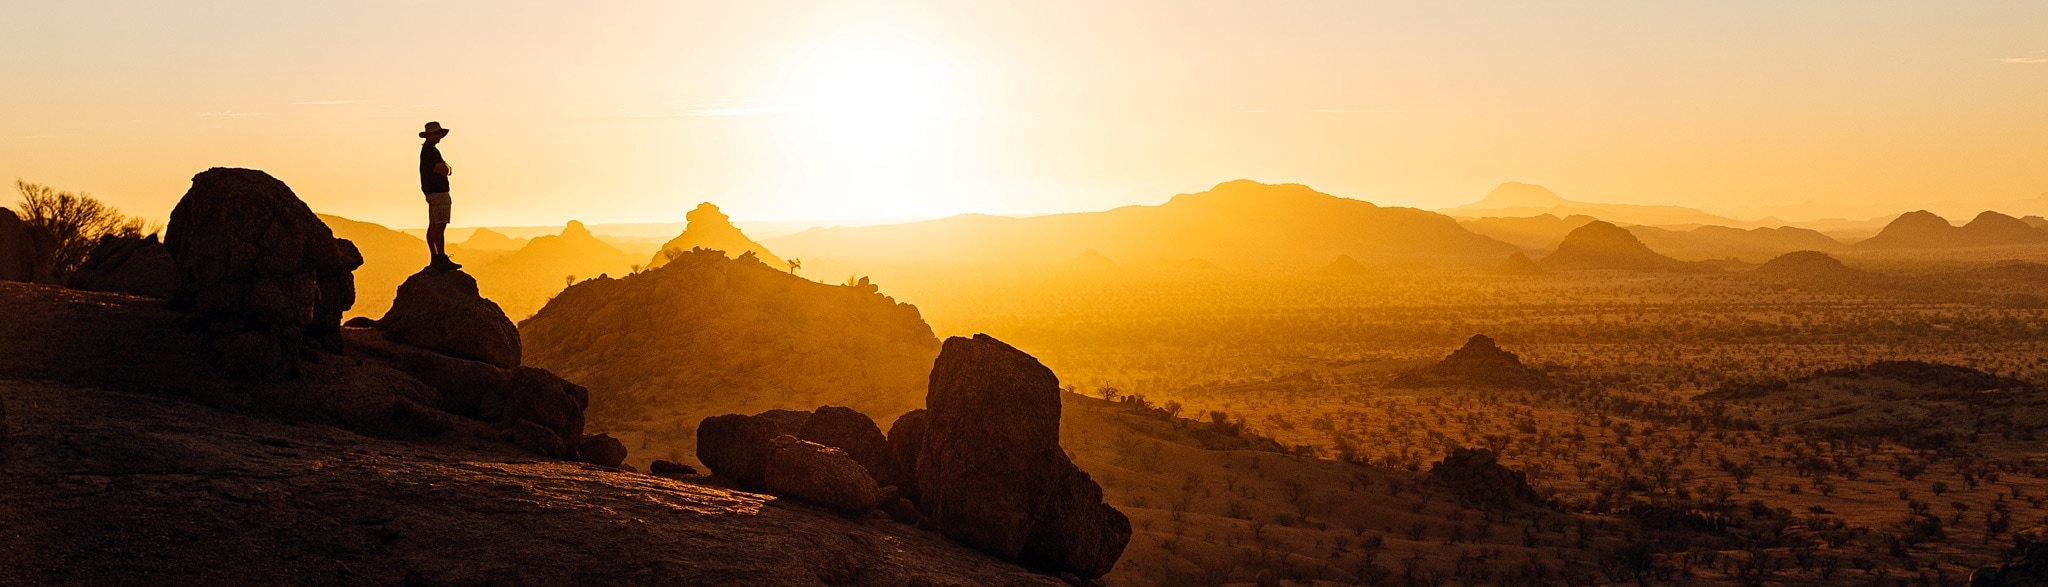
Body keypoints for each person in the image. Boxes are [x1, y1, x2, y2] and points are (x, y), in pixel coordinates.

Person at [419, 121, 460, 270]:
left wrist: (444, 167)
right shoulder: (432, 152)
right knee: (440, 226)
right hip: (439, 193)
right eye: (437, 134)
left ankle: (435, 257)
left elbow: (444, 168)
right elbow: (445, 170)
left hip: (430, 192)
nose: (439, 137)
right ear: (429, 135)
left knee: (433, 225)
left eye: (439, 134)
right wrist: (446, 167)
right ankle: (441, 257)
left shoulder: (426, 151)